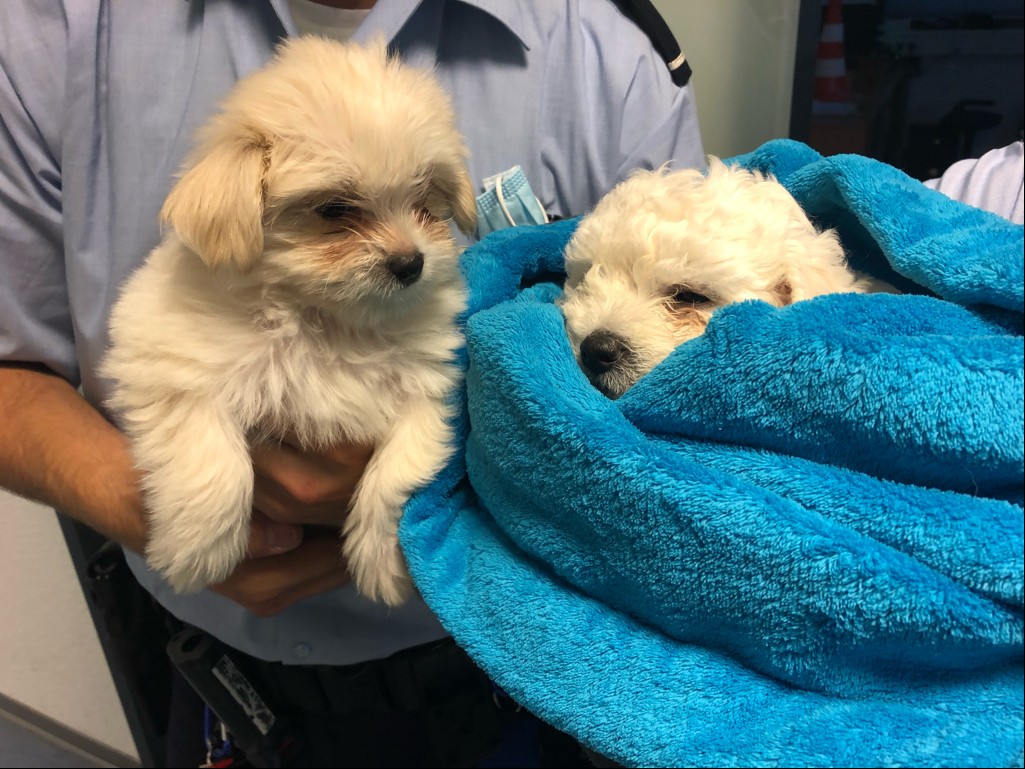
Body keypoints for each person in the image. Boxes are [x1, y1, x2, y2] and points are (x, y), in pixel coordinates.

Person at [0, 1, 705, 765]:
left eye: (425, 206)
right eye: (338, 211)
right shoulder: (50, 29)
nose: (404, 249)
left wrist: (422, 491)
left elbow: (685, 387)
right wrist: (159, 494)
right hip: (215, 684)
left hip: (507, 679)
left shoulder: (611, 49)